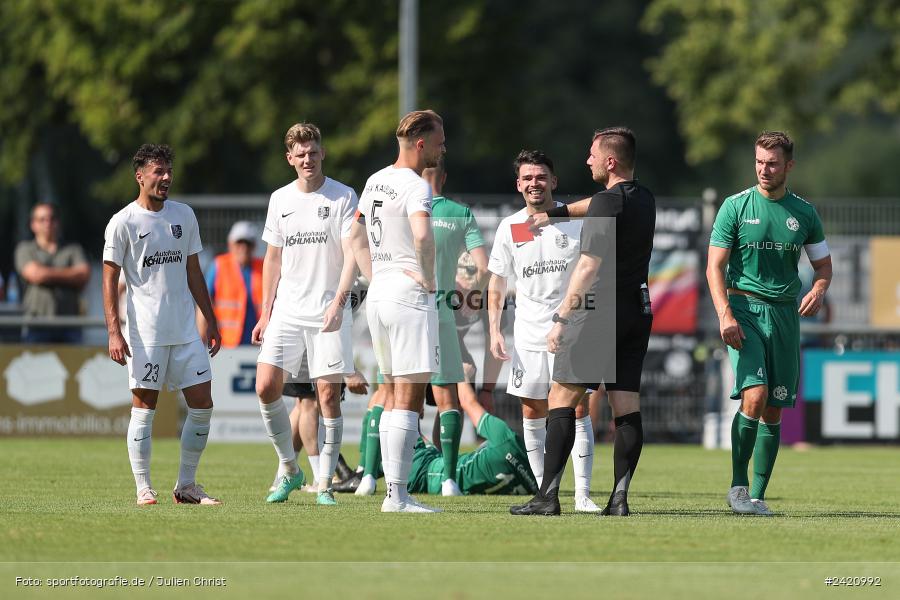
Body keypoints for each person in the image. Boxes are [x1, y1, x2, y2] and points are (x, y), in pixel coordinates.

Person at [511, 127, 655, 517]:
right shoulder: (642, 198)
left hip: (597, 313)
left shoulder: (607, 202)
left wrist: (562, 316)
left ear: (610, 161)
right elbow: (596, 203)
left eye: (592, 155)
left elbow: (588, 265)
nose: (587, 160)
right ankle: (619, 499)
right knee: (626, 406)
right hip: (637, 312)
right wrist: (552, 214)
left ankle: (547, 497)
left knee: (561, 400)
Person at [707, 131, 831, 516]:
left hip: (784, 315)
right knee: (755, 396)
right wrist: (725, 313)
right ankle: (737, 487)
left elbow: (823, 266)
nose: (764, 169)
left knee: (775, 408)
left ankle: (758, 496)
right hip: (743, 308)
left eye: (772, 163)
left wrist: (821, 288)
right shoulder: (735, 206)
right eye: (759, 161)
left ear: (788, 166)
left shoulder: (804, 213)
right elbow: (714, 266)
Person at [102, 143, 222, 506]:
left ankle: (186, 486)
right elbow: (108, 279)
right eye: (158, 171)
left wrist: (211, 319)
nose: (166, 177)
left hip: (186, 331)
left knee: (202, 404)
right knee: (145, 408)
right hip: (146, 334)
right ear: (140, 176)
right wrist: (113, 330)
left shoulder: (184, 215)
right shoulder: (123, 222)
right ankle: (143, 487)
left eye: (169, 170)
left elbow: (193, 271)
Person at [253, 122, 361, 506]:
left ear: (322, 153)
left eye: (313, 152)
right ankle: (289, 467)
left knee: (328, 395)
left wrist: (339, 301)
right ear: (290, 159)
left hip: (329, 310)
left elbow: (353, 252)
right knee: (265, 386)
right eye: (300, 154)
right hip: (288, 311)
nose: (308, 159)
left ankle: (326, 483)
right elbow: (272, 259)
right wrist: (265, 312)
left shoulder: (343, 196)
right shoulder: (280, 199)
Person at [487, 150, 600, 513]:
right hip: (528, 333)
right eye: (527, 178)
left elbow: (594, 272)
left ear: (554, 181)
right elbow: (497, 282)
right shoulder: (511, 227)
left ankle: (582, 495)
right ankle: (544, 493)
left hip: (572, 329)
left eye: (541, 177)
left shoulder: (573, 220)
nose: (534, 183)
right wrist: (494, 329)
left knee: (577, 408)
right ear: (518, 184)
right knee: (533, 410)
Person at [355, 109, 445, 513]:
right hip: (407, 295)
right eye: (440, 141)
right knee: (407, 398)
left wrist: (376, 274)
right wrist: (427, 277)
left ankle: (394, 492)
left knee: (390, 393)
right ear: (422, 143)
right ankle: (397, 496)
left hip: (379, 294)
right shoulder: (415, 186)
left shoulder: (375, 179)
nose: (444, 149)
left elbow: (354, 234)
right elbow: (423, 234)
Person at [422, 157, 488, 497]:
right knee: (449, 397)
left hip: (401, 309)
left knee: (389, 396)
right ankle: (446, 478)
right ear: (444, 177)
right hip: (441, 314)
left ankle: (373, 477)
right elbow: (483, 267)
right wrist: (471, 295)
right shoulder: (460, 214)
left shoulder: (399, 209)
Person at [408, 374, 539, 496]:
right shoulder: (537, 484)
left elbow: (467, 401)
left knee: (397, 406)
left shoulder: (505, 439)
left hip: (426, 473)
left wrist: (461, 371)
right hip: (438, 475)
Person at [15, 202, 91, 343]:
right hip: (37, 325)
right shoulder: (25, 249)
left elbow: (84, 275)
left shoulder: (73, 249)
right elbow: (36, 275)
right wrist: (70, 274)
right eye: (42, 219)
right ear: (33, 224)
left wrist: (46, 274)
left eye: (52, 218)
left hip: (70, 326)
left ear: (58, 222)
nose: (48, 223)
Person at [200, 221, 263, 347]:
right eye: (239, 243)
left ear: (254, 246)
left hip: (259, 344)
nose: (244, 248)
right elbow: (203, 302)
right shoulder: (218, 266)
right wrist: (202, 337)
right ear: (230, 244)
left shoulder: (264, 268)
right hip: (225, 345)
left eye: (248, 244)